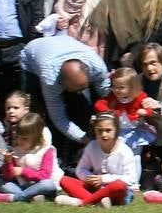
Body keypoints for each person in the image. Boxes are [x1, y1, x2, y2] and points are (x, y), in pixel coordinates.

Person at [20, 35, 111, 165]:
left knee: (83, 107)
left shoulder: (96, 66)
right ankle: (49, 159)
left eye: (83, 87)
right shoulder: (50, 79)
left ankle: (76, 160)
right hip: (32, 59)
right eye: (76, 89)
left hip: (61, 45)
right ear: (63, 82)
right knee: (37, 112)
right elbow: (58, 118)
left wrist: (109, 115)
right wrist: (83, 138)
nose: (80, 91)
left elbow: (105, 94)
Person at [57, 112, 137, 206]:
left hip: (117, 190)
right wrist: (91, 178)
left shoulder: (124, 150)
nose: (103, 134)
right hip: (96, 187)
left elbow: (131, 178)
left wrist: (104, 179)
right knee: (64, 180)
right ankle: (98, 201)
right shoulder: (92, 146)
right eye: (100, 130)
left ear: (116, 130)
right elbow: (80, 169)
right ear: (95, 131)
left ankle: (83, 202)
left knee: (119, 185)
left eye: (108, 130)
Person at [0, 111, 59, 202]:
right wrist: (8, 161)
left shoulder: (46, 150)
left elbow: (45, 175)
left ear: (36, 137)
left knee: (48, 184)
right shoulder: (16, 150)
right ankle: (30, 196)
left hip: (41, 185)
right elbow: (8, 176)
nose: (20, 141)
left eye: (25, 138)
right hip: (23, 186)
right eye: (18, 137)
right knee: (1, 182)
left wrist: (23, 171)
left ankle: (15, 197)